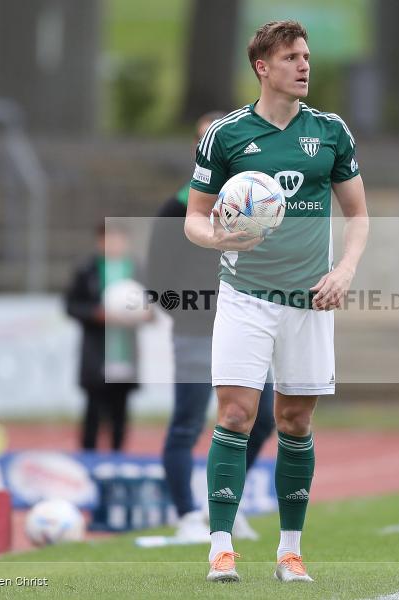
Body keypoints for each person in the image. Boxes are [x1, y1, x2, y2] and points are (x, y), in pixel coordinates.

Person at [183, 20, 369, 583]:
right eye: (292, 57)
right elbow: (194, 216)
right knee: (236, 414)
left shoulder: (332, 132)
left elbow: (358, 214)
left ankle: (290, 552)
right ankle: (221, 547)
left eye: (307, 56)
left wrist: (343, 271)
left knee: (294, 421)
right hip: (245, 297)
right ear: (263, 67)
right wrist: (218, 237)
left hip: (309, 301)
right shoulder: (227, 135)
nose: (305, 66)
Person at [147, 112, 276, 543]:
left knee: (263, 420)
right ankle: (186, 517)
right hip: (198, 329)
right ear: (199, 150)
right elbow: (157, 278)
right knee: (188, 421)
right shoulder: (178, 206)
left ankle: (224, 503)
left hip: (251, 326)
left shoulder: (257, 204)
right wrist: (189, 312)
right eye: (210, 141)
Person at [65, 222, 149, 452]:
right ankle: (89, 457)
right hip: (97, 352)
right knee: (93, 409)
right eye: (108, 239)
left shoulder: (136, 269)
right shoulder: (87, 269)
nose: (114, 244)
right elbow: (71, 306)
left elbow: (152, 306)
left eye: (119, 239)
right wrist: (96, 314)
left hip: (126, 351)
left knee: (120, 411)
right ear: (99, 241)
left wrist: (145, 314)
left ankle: (117, 458)